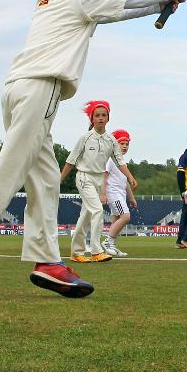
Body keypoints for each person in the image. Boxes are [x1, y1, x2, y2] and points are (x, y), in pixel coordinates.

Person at [0, 0, 187, 300]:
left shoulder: (53, 3)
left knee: (45, 179)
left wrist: (163, 1)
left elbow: (119, 12)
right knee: (10, 169)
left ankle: (46, 261)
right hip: (39, 90)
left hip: (18, 89)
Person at [60, 100, 136, 264]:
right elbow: (70, 161)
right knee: (97, 211)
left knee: (85, 216)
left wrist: (130, 177)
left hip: (98, 180)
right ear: (92, 119)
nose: (101, 118)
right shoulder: (85, 138)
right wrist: (60, 180)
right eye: (97, 115)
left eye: (104, 115)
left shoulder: (111, 140)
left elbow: (120, 162)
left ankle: (76, 252)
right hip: (84, 177)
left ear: (108, 118)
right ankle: (96, 251)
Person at [102, 128, 139, 257]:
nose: (124, 146)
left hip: (120, 194)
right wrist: (103, 194)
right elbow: (104, 176)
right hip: (113, 193)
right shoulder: (110, 159)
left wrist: (131, 197)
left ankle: (111, 246)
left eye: (126, 144)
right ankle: (108, 242)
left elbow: (125, 182)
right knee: (125, 216)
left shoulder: (122, 163)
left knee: (116, 220)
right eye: (121, 143)